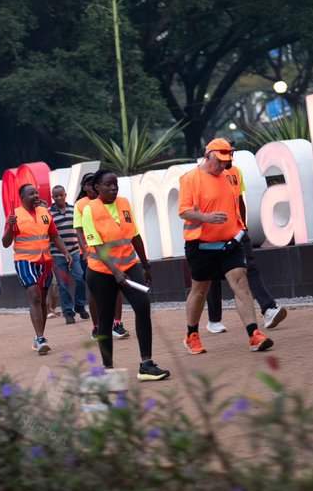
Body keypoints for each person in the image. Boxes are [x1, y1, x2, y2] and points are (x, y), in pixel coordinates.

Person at [178, 139, 284, 355]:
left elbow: (237, 203)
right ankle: (192, 334)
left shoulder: (229, 175)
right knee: (200, 290)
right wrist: (206, 217)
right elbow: (183, 211)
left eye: (226, 161)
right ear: (207, 156)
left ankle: (254, 334)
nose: (222, 165)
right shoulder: (190, 178)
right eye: (219, 161)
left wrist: (240, 229)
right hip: (201, 246)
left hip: (230, 243)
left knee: (241, 283)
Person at [82, 169, 171, 382]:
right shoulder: (89, 210)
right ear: (96, 187)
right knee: (105, 318)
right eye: (108, 185)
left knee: (143, 306)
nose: (113, 188)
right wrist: (115, 272)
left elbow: (135, 235)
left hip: (129, 265)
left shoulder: (123, 204)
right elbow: (97, 246)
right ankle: (108, 368)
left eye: (115, 184)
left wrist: (146, 265)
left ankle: (146, 365)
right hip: (102, 271)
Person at [2, 183, 72, 356]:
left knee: (41, 301)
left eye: (36, 193)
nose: (36, 196)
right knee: (34, 296)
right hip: (24, 261)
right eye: (31, 194)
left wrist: (65, 252)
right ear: (22, 197)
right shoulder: (14, 215)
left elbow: (54, 235)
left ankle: (38, 337)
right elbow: (6, 243)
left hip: (45, 262)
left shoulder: (44, 212)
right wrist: (10, 227)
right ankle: (41, 339)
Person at [73, 172, 127, 339]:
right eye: (88, 185)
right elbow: (79, 231)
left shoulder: (109, 202)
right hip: (91, 255)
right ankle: (97, 327)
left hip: (112, 254)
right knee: (94, 291)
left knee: (117, 287)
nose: (91, 188)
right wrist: (85, 251)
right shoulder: (80, 205)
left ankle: (117, 323)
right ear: (85, 187)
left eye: (93, 184)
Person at [204, 224, 284, 334]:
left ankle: (268, 309)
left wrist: (241, 230)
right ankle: (214, 320)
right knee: (213, 275)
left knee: (249, 268)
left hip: (237, 231)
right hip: (210, 235)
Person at [49, 185, 89, 325]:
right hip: (57, 254)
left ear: (65, 195)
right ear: (53, 197)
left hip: (75, 251)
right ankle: (68, 312)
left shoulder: (74, 209)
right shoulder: (48, 213)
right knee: (63, 284)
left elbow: (80, 230)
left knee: (80, 278)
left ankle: (79, 305)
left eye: (61, 195)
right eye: (56, 196)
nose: (59, 198)